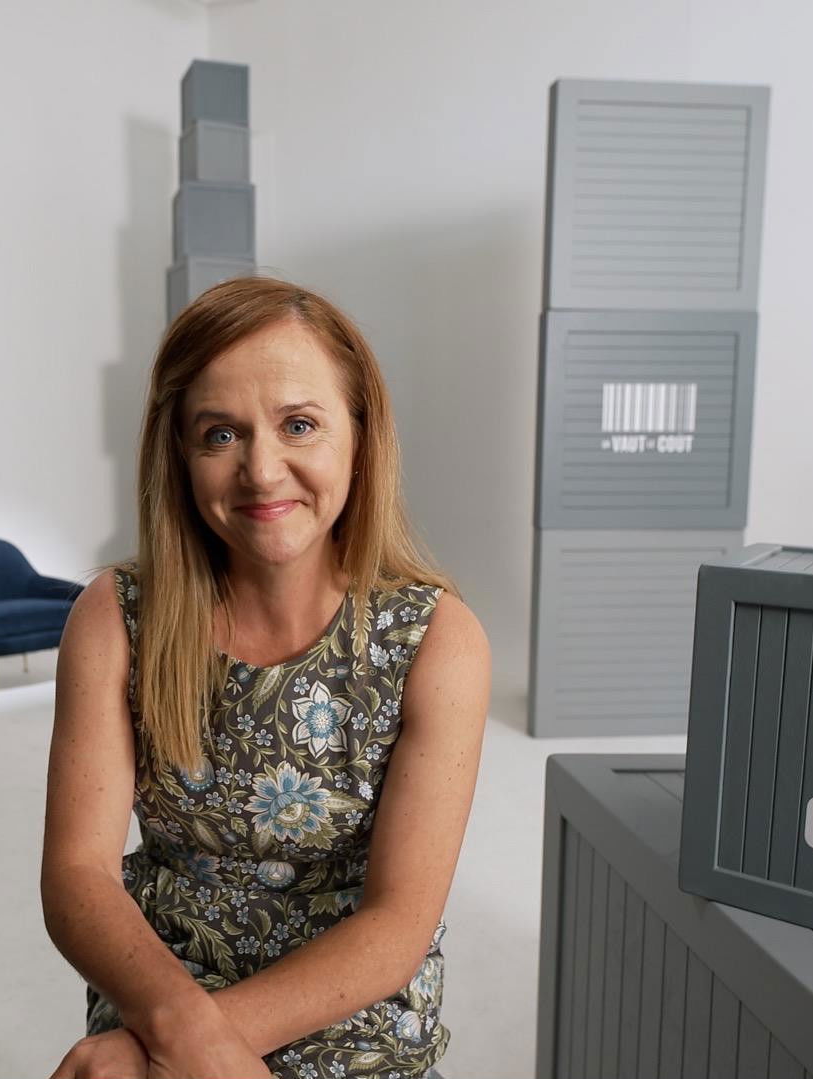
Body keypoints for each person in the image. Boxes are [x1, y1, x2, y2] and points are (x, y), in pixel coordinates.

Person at [41, 276, 490, 1079]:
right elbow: (78, 874)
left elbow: (397, 924)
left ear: (360, 435)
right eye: (220, 433)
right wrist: (182, 1033)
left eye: (299, 424)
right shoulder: (114, 618)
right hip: (161, 988)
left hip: (356, 1010)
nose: (262, 469)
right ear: (180, 454)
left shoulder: (436, 640)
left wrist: (196, 1052)